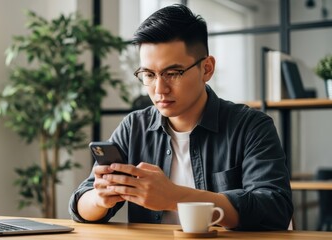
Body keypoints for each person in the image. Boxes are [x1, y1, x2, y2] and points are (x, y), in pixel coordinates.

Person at [69, 4, 293, 230]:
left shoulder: (251, 126)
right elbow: (81, 203)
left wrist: (174, 197)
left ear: (207, 69)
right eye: (149, 74)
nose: (159, 89)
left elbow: (274, 208)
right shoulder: (134, 127)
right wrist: (100, 199)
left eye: (172, 73)